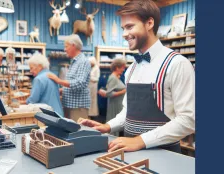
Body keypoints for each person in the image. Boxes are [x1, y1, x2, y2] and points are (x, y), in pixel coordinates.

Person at [79, 0, 195, 153]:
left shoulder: (177, 64)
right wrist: (107, 126)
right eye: (123, 28)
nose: (125, 34)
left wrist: (140, 141)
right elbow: (128, 112)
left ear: (149, 23)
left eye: (130, 27)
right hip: (131, 155)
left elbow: (188, 120)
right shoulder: (131, 69)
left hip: (165, 156)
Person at [48, 34, 91, 122]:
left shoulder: (83, 61)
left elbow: (80, 83)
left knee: (78, 133)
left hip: (77, 107)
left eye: (66, 46)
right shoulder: (74, 62)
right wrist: (63, 90)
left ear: (73, 46)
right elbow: (73, 82)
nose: (65, 49)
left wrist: (58, 80)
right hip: (70, 105)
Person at [98, 58, 126, 123]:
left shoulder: (116, 77)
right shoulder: (113, 78)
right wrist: (123, 91)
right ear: (117, 68)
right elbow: (109, 94)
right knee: (113, 125)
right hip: (114, 106)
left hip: (118, 105)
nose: (123, 70)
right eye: (122, 67)